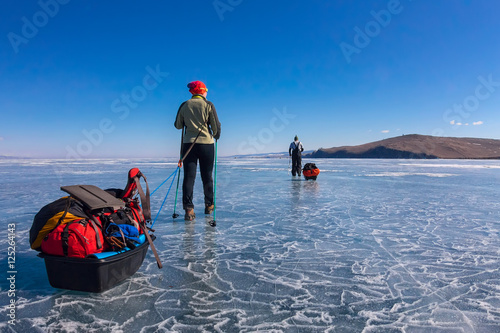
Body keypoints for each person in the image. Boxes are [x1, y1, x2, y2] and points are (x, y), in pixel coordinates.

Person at [175, 81, 221, 221]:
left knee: (189, 177)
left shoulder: (184, 105)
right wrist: (216, 136)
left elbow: (178, 125)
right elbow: (216, 127)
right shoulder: (208, 105)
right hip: (206, 144)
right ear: (201, 91)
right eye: (206, 89)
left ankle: (189, 210)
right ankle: (209, 205)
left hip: (188, 144)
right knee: (207, 176)